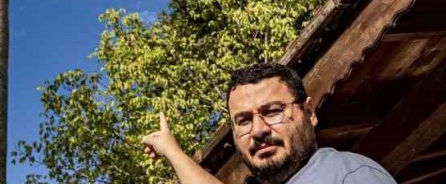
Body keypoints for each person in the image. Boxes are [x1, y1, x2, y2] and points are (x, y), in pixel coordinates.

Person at [141, 62, 396, 184]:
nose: (259, 130)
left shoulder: (345, 176)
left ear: (309, 112)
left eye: (273, 111)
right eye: (243, 121)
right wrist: (171, 150)